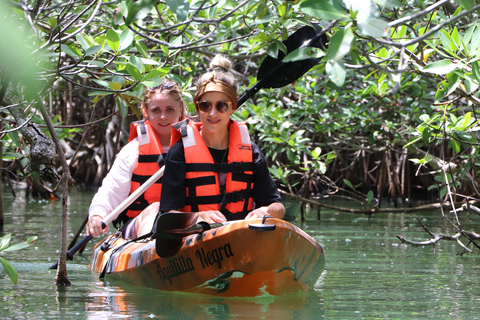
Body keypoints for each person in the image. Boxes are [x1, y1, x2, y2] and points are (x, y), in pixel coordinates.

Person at [159, 55, 285, 223]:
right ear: (197, 107)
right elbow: (168, 216)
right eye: (205, 106)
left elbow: (278, 208)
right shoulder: (179, 152)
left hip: (239, 234)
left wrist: (265, 210)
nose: (212, 113)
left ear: (232, 107)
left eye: (221, 106)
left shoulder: (250, 151)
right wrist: (198, 217)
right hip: (197, 238)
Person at [87, 79, 185, 238]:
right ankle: (151, 248)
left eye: (170, 110)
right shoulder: (133, 151)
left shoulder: (196, 144)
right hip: (139, 226)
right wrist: (97, 214)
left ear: (180, 110)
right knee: (155, 209)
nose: (163, 117)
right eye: (156, 110)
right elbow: (111, 190)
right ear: (145, 111)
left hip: (186, 225)